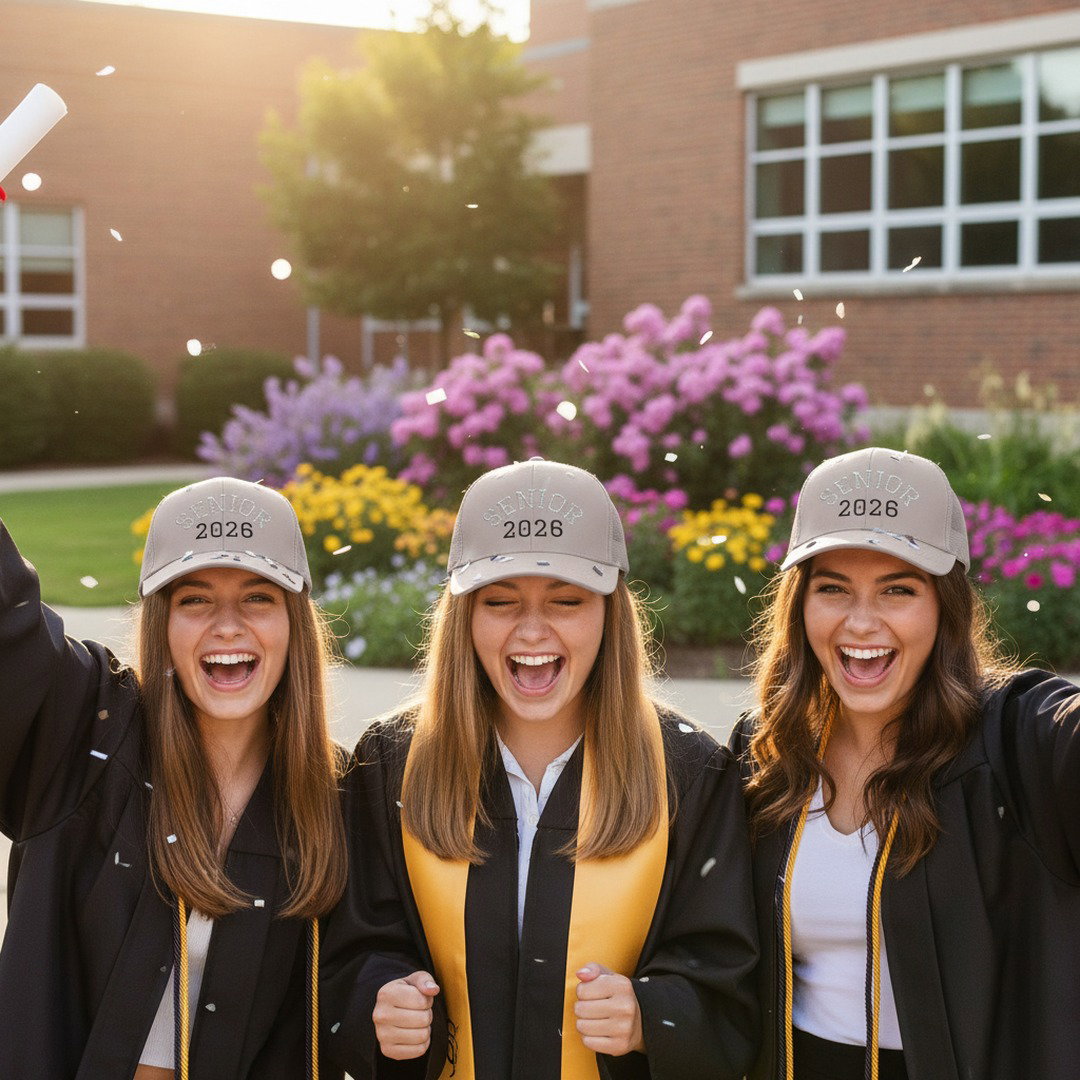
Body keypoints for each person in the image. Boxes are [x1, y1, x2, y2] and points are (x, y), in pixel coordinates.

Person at [320, 457, 759, 1079]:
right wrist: (378, 1001)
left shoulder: (687, 772)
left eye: (566, 599)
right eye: (500, 601)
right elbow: (353, 949)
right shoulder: (392, 764)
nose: (532, 629)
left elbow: (727, 977)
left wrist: (650, 1017)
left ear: (611, 612)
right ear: (463, 615)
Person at [728, 446, 1080, 1080]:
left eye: (898, 590)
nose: (861, 621)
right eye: (833, 588)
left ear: (945, 607)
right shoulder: (766, 755)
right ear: (799, 605)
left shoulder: (1016, 740)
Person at [0, 476, 348, 1079]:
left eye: (259, 598)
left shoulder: (335, 794)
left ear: (296, 621)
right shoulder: (86, 732)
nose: (228, 625)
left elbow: (371, 964)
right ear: (159, 620)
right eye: (194, 600)